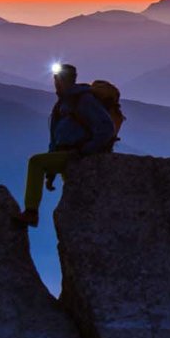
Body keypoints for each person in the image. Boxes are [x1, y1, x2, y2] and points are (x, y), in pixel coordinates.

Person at [17, 63, 116, 227]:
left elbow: (107, 128)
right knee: (76, 197)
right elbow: (55, 138)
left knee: (36, 162)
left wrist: (84, 151)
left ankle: (31, 213)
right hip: (68, 156)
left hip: (76, 155)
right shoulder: (62, 104)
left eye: (59, 79)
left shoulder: (83, 100)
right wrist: (51, 172)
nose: (56, 83)